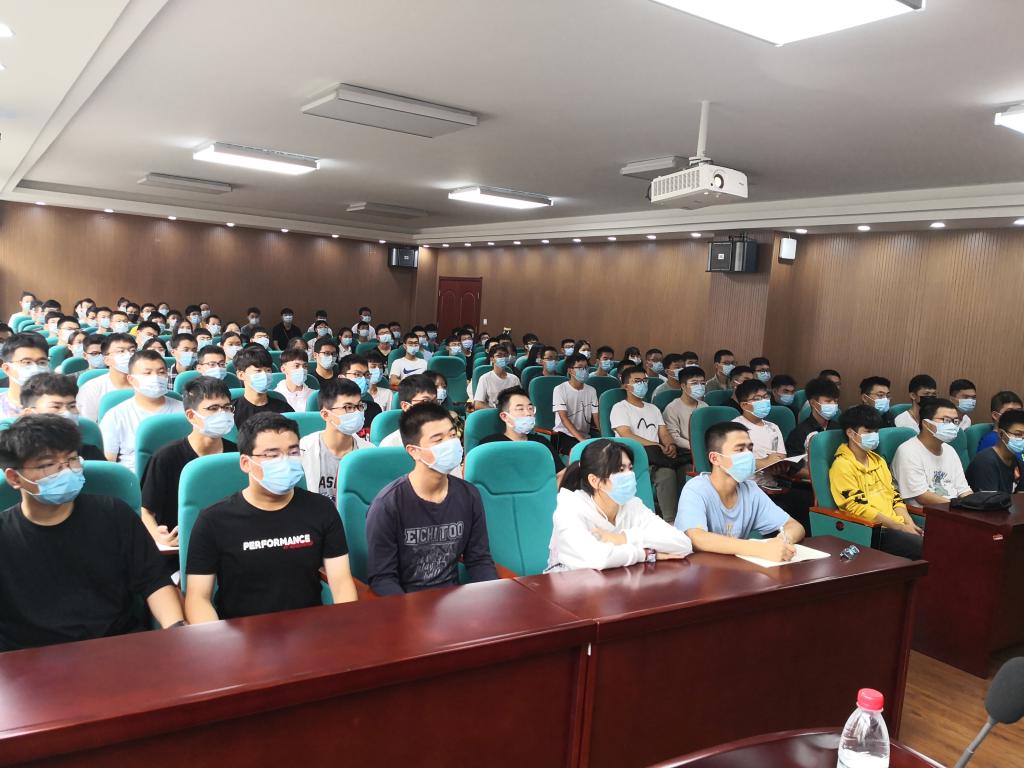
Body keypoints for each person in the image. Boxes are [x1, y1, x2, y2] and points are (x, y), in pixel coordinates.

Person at [0, 415, 184, 650]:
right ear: (14, 478)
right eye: (48, 465)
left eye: (72, 460)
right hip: (30, 656)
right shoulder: (5, 534)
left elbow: (154, 581)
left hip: (115, 645)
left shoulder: (114, 514)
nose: (66, 471)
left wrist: (176, 630)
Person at [185, 413, 358, 622]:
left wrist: (348, 626)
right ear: (246, 463)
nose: (285, 461)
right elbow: (198, 599)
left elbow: (341, 582)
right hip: (240, 633)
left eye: (293, 452)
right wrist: (218, 639)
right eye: (272, 455)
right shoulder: (213, 521)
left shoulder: (322, 509)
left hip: (308, 629)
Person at [365, 402, 498, 596]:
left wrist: (494, 599)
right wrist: (409, 612)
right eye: (438, 439)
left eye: (452, 435)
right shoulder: (387, 504)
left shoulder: (469, 494)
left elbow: (479, 560)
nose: (451, 444)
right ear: (414, 451)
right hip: (407, 604)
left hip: (454, 602)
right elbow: (383, 578)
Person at [547, 439, 692, 571]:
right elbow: (598, 558)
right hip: (571, 587)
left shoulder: (632, 505)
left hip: (621, 583)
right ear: (594, 481)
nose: (629, 475)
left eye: (630, 468)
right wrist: (646, 554)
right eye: (620, 470)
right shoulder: (570, 507)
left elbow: (683, 543)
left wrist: (625, 538)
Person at [676, 422, 806, 561]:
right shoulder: (696, 489)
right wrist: (760, 549)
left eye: (750, 449)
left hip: (736, 567)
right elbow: (696, 537)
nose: (749, 455)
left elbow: (795, 526)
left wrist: (783, 540)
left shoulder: (751, 489)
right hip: (698, 567)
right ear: (715, 458)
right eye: (740, 449)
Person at [140, 378, 237, 549]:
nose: (223, 414)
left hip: (230, 542)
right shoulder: (166, 457)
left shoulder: (236, 454)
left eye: (227, 407)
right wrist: (158, 535)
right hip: (181, 546)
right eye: (213, 408)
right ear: (191, 416)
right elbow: (145, 510)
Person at [829, 406, 923, 559]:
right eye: (868, 431)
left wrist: (909, 524)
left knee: (940, 539)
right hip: (873, 530)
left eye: (876, 431)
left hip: (896, 526)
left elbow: (895, 498)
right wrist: (900, 527)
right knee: (926, 548)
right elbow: (858, 509)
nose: (874, 436)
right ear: (850, 433)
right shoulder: (842, 465)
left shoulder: (878, 460)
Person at [610, 366, 682, 523]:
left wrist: (669, 445)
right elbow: (626, 434)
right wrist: (656, 446)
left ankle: (680, 519)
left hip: (657, 456)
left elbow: (663, 433)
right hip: (633, 456)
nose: (642, 384)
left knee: (683, 470)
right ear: (626, 386)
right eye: (637, 381)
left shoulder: (653, 409)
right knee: (667, 474)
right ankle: (670, 521)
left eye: (644, 380)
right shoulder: (620, 408)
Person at [100, 350, 184, 474]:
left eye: (161, 372)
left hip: (177, 475)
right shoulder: (115, 416)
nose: (156, 378)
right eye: (147, 373)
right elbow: (108, 462)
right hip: (135, 478)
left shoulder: (184, 410)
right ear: (131, 379)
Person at [300, 377, 371, 504]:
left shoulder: (369, 452)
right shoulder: (303, 449)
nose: (357, 413)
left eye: (359, 406)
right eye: (348, 407)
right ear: (326, 414)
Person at [892, 397, 973, 506]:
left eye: (955, 421)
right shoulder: (908, 451)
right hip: (926, 512)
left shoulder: (950, 450)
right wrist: (958, 506)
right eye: (946, 420)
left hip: (954, 509)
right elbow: (922, 497)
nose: (952, 426)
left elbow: (964, 490)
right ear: (926, 423)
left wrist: (974, 505)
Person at [481, 386, 565, 479]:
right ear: (504, 416)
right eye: (520, 409)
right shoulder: (490, 445)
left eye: (530, 408)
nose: (528, 413)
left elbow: (561, 473)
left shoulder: (541, 442)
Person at [18, 374, 105, 460]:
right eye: (56, 407)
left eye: (72, 406)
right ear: (29, 414)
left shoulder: (90, 453)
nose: (67, 413)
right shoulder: (18, 456)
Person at [75, 332, 137, 421]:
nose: (129, 355)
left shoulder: (147, 383)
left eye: (132, 350)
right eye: (121, 351)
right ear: (107, 360)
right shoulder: (92, 388)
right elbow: (87, 424)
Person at [232, 346, 294, 427]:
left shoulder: (284, 408)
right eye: (258, 371)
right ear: (241, 375)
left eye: (268, 370)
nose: (264, 375)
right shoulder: (232, 410)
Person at [551, 354, 600, 455]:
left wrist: (604, 436)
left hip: (585, 435)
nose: (584, 370)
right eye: (580, 367)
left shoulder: (592, 390)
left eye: (586, 367)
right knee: (585, 454)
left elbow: (596, 417)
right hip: (563, 435)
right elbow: (564, 418)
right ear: (570, 371)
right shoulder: (560, 389)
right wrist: (581, 440)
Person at [966, 409, 1024, 494]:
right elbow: (988, 500)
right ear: (1001, 434)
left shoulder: (1018, 463)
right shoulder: (985, 462)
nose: (1022, 439)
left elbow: (1021, 496)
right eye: (1018, 434)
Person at [732, 379, 787, 468]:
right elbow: (734, 461)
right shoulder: (734, 428)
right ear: (744, 405)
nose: (764, 401)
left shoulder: (773, 427)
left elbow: (781, 455)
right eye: (757, 399)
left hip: (773, 476)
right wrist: (764, 462)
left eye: (766, 397)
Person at [785, 377, 842, 457]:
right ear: (813, 403)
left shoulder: (839, 429)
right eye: (828, 401)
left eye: (835, 401)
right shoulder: (799, 433)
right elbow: (794, 462)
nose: (833, 405)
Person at [378, 375, 438, 448]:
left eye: (435, 401)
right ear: (405, 406)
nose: (433, 406)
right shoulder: (391, 445)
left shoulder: (446, 438)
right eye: (425, 401)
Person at [0, 332, 50, 418]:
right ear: (7, 368)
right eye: (27, 362)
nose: (35, 368)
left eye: (42, 362)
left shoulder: (61, 404)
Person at [663, 366, 709, 460]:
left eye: (702, 383)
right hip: (685, 453)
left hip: (706, 450)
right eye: (694, 383)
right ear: (683, 386)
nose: (700, 387)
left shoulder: (705, 406)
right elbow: (673, 437)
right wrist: (695, 447)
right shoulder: (672, 408)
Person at [338, 354, 383, 430]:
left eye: (367, 375)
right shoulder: (334, 409)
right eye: (357, 374)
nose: (364, 379)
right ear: (342, 378)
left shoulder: (374, 408)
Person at [473, 343, 521, 409]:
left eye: (505, 355)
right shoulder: (485, 378)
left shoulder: (514, 379)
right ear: (492, 359)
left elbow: (520, 400)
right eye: (499, 355)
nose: (503, 358)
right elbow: (478, 404)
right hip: (493, 411)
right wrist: (497, 411)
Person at [274, 348, 314, 412]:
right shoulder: (276, 395)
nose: (302, 370)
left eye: (305, 366)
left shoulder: (313, 396)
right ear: (283, 369)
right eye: (296, 366)